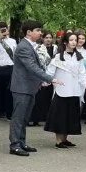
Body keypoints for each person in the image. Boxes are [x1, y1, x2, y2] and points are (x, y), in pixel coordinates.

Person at [9, 20, 58, 156]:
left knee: (25, 117)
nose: (40, 33)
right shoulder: (24, 46)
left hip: (29, 87)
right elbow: (31, 66)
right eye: (37, 30)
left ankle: (21, 142)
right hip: (21, 87)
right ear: (29, 32)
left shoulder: (31, 45)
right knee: (19, 117)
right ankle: (15, 145)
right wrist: (49, 78)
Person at [45, 33, 86, 147]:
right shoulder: (58, 57)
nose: (74, 42)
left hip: (74, 90)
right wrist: (50, 81)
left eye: (75, 40)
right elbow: (49, 72)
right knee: (60, 115)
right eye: (71, 40)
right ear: (65, 42)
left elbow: (82, 74)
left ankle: (65, 139)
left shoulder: (79, 57)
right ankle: (58, 141)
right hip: (61, 90)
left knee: (71, 115)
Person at [30, 31, 56, 126]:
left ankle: (46, 118)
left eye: (50, 37)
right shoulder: (39, 48)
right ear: (43, 39)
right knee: (38, 98)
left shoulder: (56, 49)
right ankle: (34, 119)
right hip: (40, 75)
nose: (48, 39)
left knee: (48, 98)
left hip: (52, 76)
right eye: (46, 37)